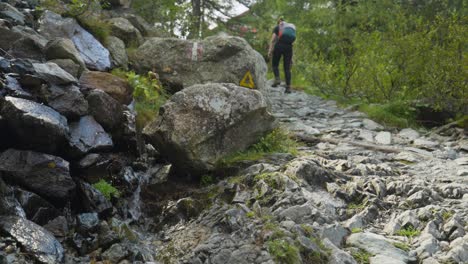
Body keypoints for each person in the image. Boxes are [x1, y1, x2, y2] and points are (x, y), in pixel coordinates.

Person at [268, 17, 296, 94]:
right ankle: (288, 87)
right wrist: (292, 58)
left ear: (279, 22)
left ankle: (277, 79)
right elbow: (292, 44)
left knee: (275, 64)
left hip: (279, 46)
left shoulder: (277, 27)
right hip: (288, 47)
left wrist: (270, 50)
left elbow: (273, 40)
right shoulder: (291, 28)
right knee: (287, 68)